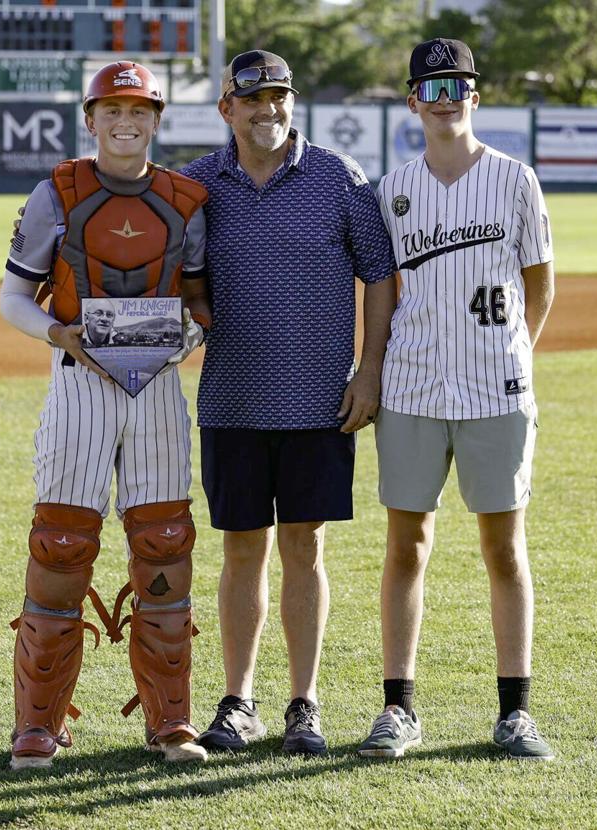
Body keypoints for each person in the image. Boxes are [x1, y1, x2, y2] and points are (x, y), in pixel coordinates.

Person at [179, 50, 398, 756]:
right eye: (252, 100)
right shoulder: (198, 185)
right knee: (242, 550)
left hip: (319, 403)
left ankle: (303, 704)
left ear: (291, 103)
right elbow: (179, 278)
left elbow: (380, 275)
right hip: (233, 400)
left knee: (305, 547)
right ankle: (238, 702)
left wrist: (369, 373)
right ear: (227, 110)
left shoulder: (338, 177)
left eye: (278, 97)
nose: (267, 109)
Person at [0, 60, 212, 768]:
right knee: (60, 545)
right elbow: (14, 299)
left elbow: (200, 300)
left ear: (157, 120)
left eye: (140, 110)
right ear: (90, 119)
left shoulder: (187, 199)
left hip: (155, 385)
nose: (126, 122)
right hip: (78, 380)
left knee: (164, 544)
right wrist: (57, 333)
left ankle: (170, 719)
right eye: (112, 110)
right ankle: (38, 722)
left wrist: (188, 335)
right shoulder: (57, 192)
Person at [357, 38, 556, 761]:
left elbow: (539, 286)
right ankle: (398, 708)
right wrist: (371, 369)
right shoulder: (392, 191)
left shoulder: (514, 181)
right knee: (406, 543)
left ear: (476, 95)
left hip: (495, 387)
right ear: (413, 100)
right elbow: (381, 294)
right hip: (412, 386)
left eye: (458, 84)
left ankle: (515, 713)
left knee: (503, 547)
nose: (445, 97)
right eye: (431, 86)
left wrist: (510, 354)